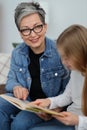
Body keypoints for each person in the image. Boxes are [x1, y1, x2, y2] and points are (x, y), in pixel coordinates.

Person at [0, 2, 75, 130]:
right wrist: (17, 86)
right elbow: (10, 80)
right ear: (20, 33)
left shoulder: (60, 51)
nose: (33, 34)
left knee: (19, 124)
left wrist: (55, 107)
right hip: (27, 102)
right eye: (26, 30)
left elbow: (69, 90)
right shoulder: (17, 52)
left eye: (37, 27)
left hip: (48, 105)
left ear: (45, 27)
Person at [32, 24, 87, 130]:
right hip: (70, 121)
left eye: (67, 57)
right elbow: (67, 96)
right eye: (62, 57)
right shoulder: (75, 71)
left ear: (80, 52)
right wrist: (48, 102)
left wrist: (78, 120)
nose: (63, 62)